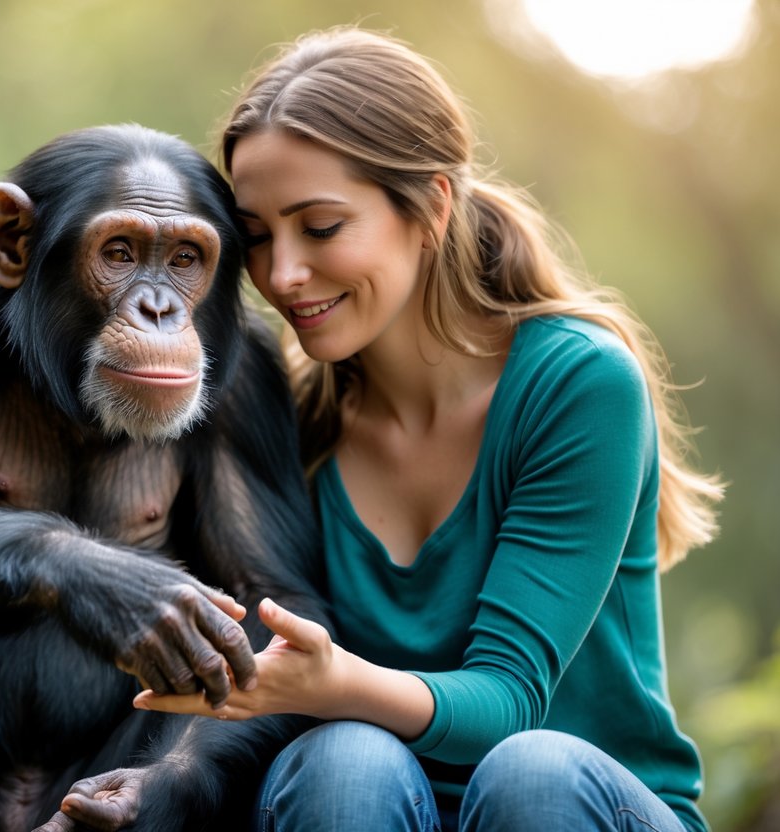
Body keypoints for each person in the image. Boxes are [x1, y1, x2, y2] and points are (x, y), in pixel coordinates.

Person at [133, 26, 724, 832]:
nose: (281, 275)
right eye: (258, 237)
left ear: (431, 207)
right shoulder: (293, 417)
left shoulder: (575, 383)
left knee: (531, 772)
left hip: (573, 803)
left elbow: (509, 702)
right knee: (342, 761)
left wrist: (331, 681)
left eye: (321, 226)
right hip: (371, 806)